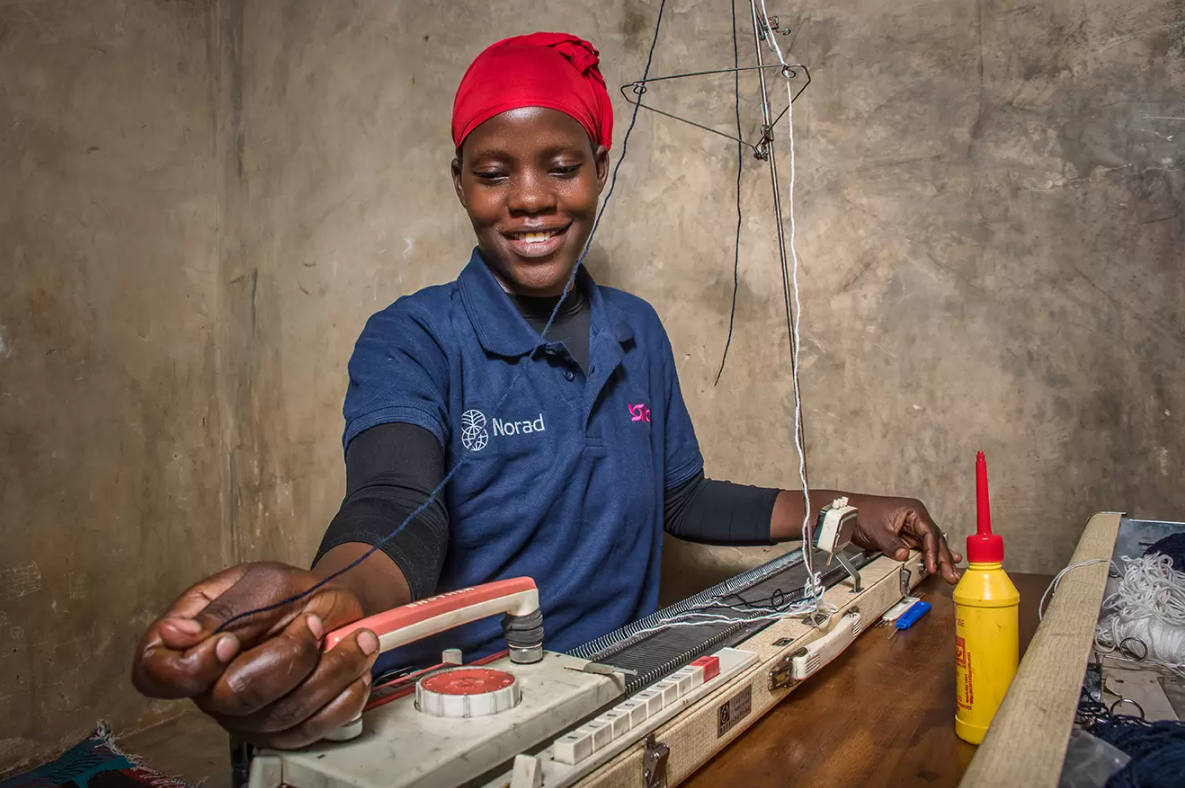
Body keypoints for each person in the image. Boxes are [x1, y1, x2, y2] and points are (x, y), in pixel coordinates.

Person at [131, 32, 962, 750]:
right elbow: (394, 503)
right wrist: (332, 600)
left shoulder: (636, 329)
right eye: (494, 174)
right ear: (459, 181)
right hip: (456, 715)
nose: (530, 198)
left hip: (622, 699)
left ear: (599, 169)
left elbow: (682, 496)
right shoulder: (413, 336)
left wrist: (846, 510)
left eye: (561, 167)